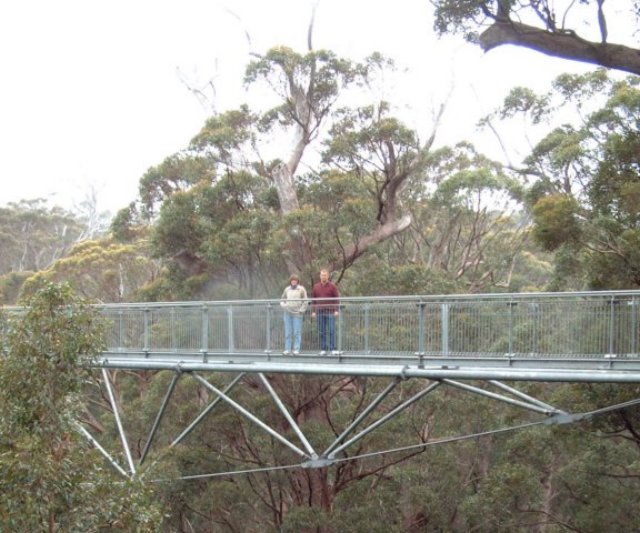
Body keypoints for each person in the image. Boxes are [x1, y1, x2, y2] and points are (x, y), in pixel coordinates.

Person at [311, 269, 340, 355]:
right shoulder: (316, 287)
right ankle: (323, 348)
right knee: (321, 331)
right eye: (322, 275)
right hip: (320, 311)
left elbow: (337, 299)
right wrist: (313, 311)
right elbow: (313, 300)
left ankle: (332, 349)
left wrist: (336, 310)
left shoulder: (332, 286)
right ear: (320, 276)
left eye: (325, 275)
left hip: (330, 312)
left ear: (328, 276)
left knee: (331, 330)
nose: (323, 276)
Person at [280, 274, 308, 355]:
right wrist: (283, 306)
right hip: (287, 313)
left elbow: (305, 301)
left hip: (297, 314)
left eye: (295, 280)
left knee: (297, 332)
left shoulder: (301, 289)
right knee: (288, 332)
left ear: (297, 281)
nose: (294, 281)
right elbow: (282, 299)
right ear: (290, 281)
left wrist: (301, 310)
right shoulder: (287, 289)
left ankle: (296, 349)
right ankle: (287, 349)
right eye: (292, 280)